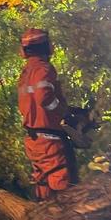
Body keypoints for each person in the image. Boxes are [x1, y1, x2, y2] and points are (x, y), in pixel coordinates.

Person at [17, 28, 76, 200]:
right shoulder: (43, 68)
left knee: (44, 189)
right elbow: (44, 98)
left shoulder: (26, 72)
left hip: (34, 140)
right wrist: (63, 112)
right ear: (46, 46)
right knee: (63, 189)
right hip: (50, 140)